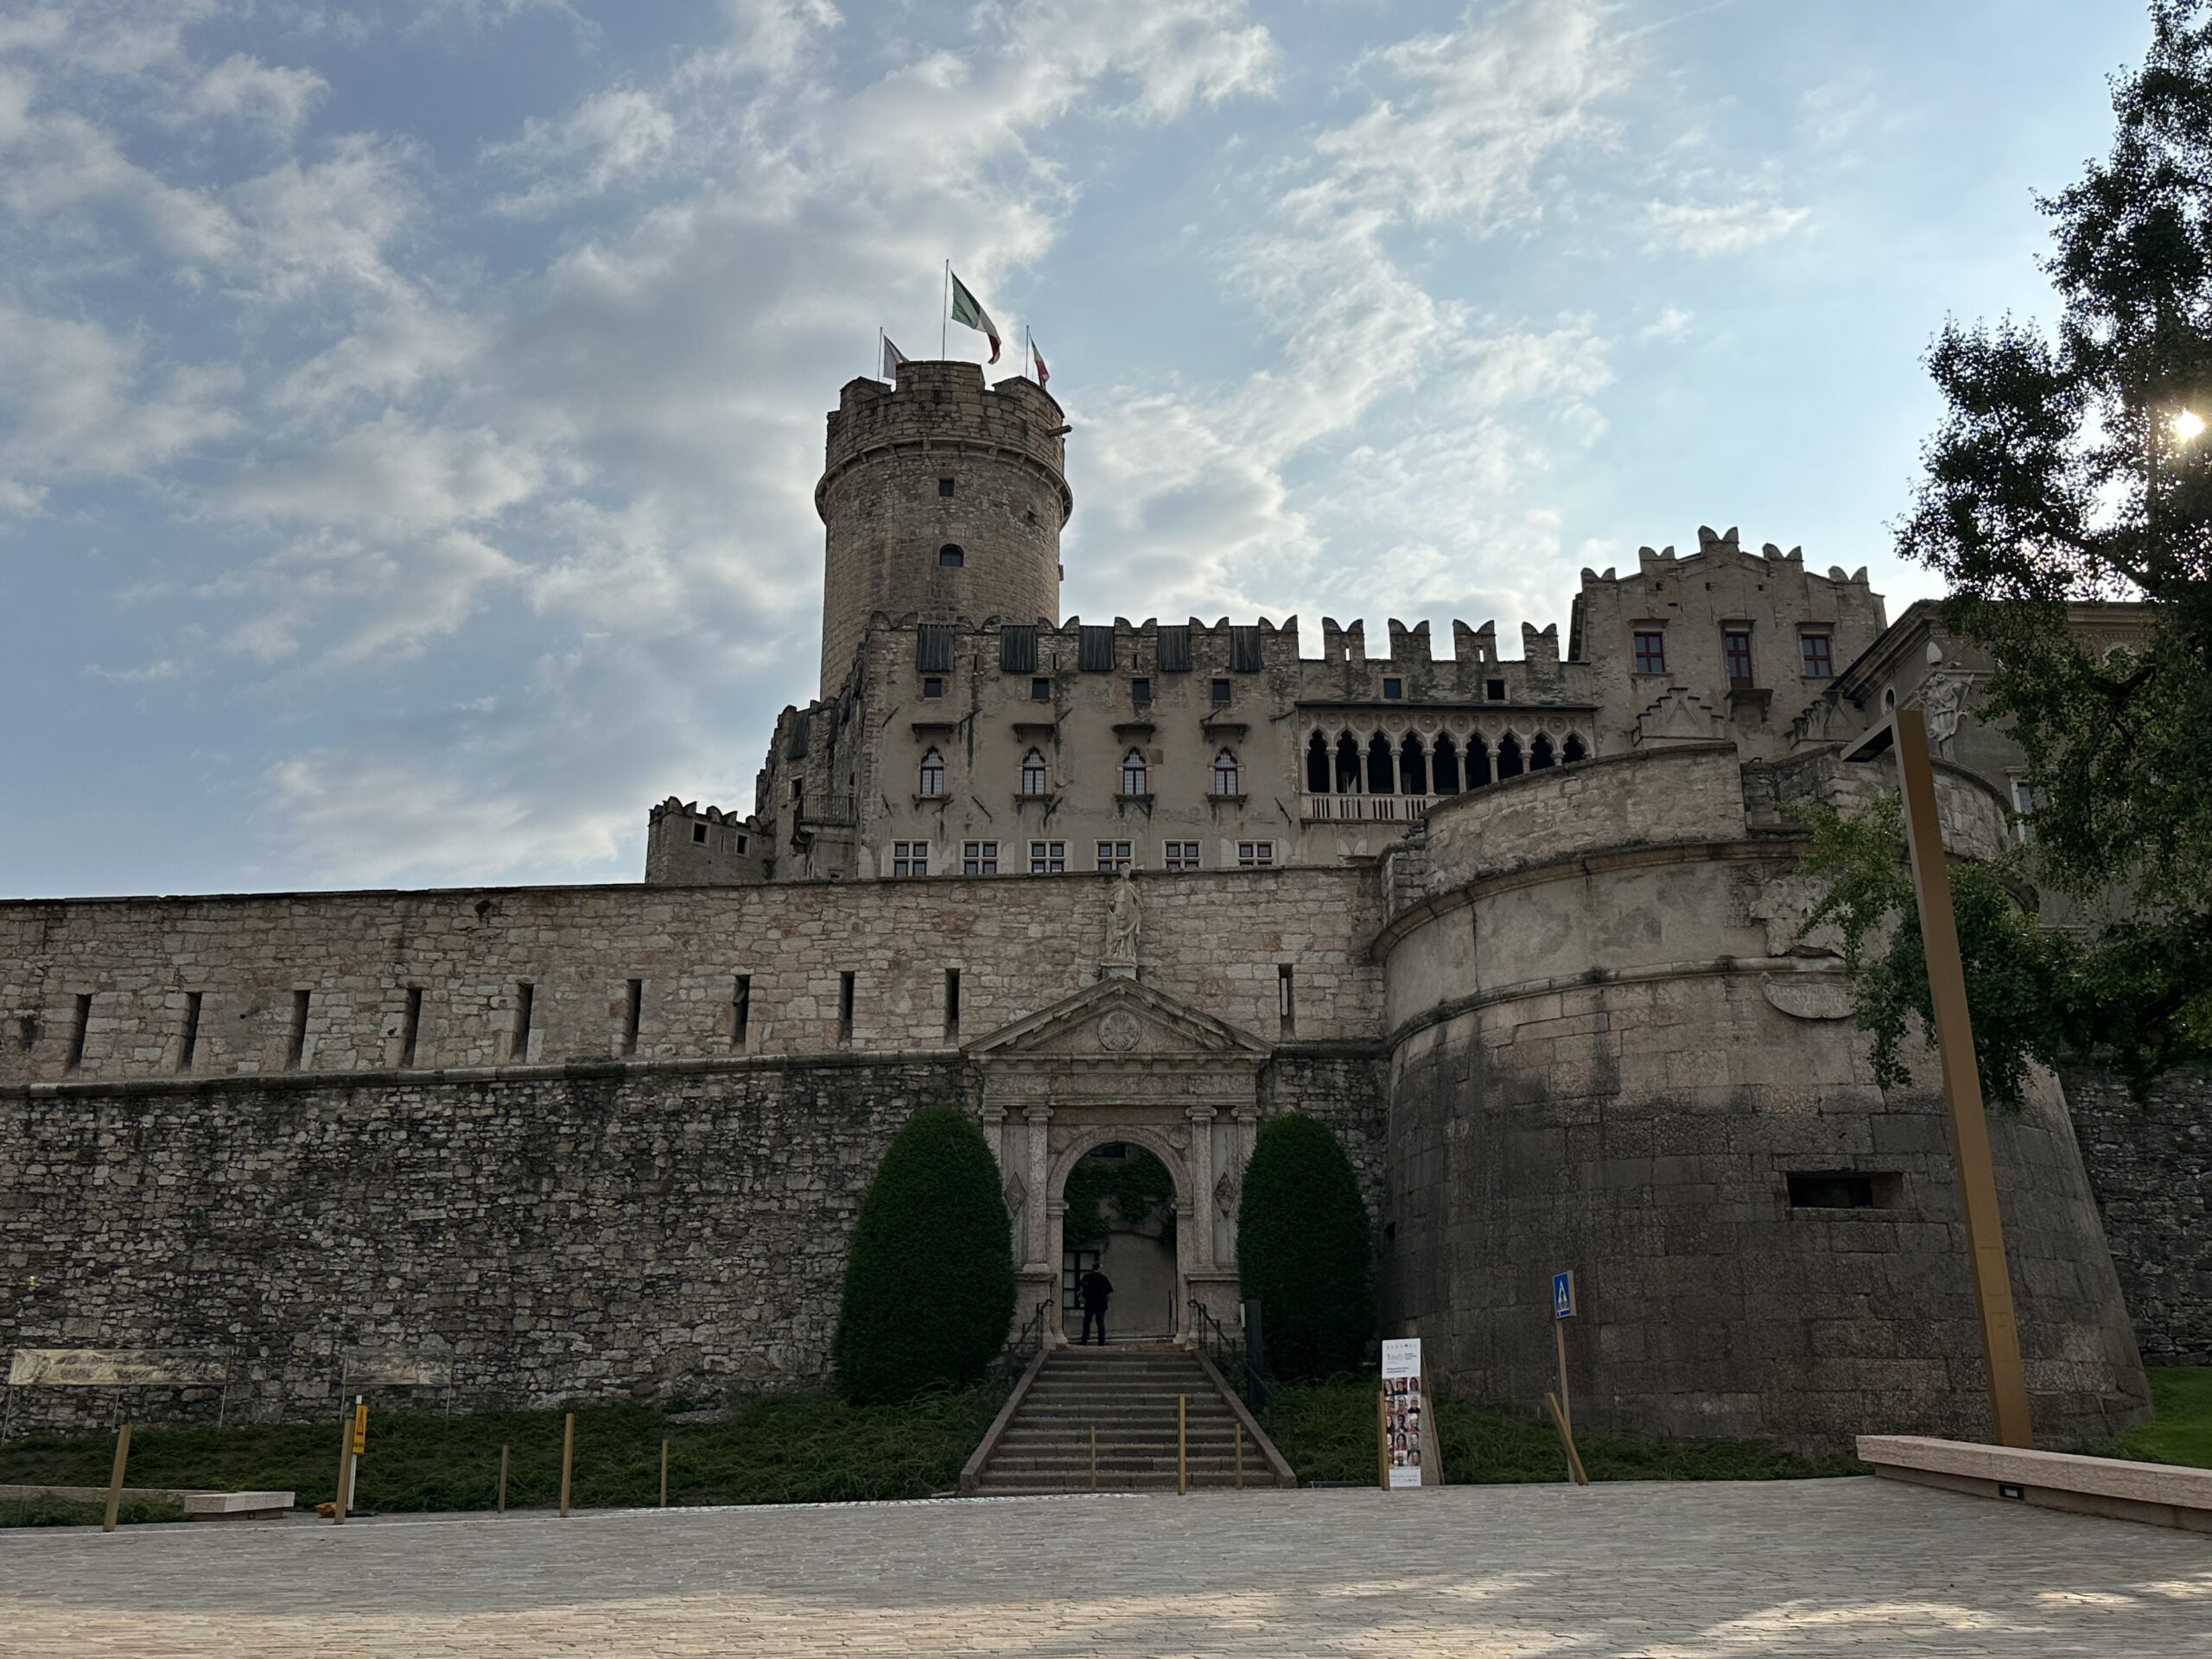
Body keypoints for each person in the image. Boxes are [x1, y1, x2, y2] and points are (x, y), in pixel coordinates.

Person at [1077, 1264, 1114, 1345]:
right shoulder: (1103, 1278)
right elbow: (1110, 1291)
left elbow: (1082, 1284)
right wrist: (1107, 1301)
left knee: (1087, 1321)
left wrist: (1083, 1293)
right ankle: (1101, 1342)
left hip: (1090, 1302)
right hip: (1101, 1303)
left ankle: (1084, 1340)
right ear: (1099, 1268)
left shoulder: (1087, 1276)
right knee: (1100, 1322)